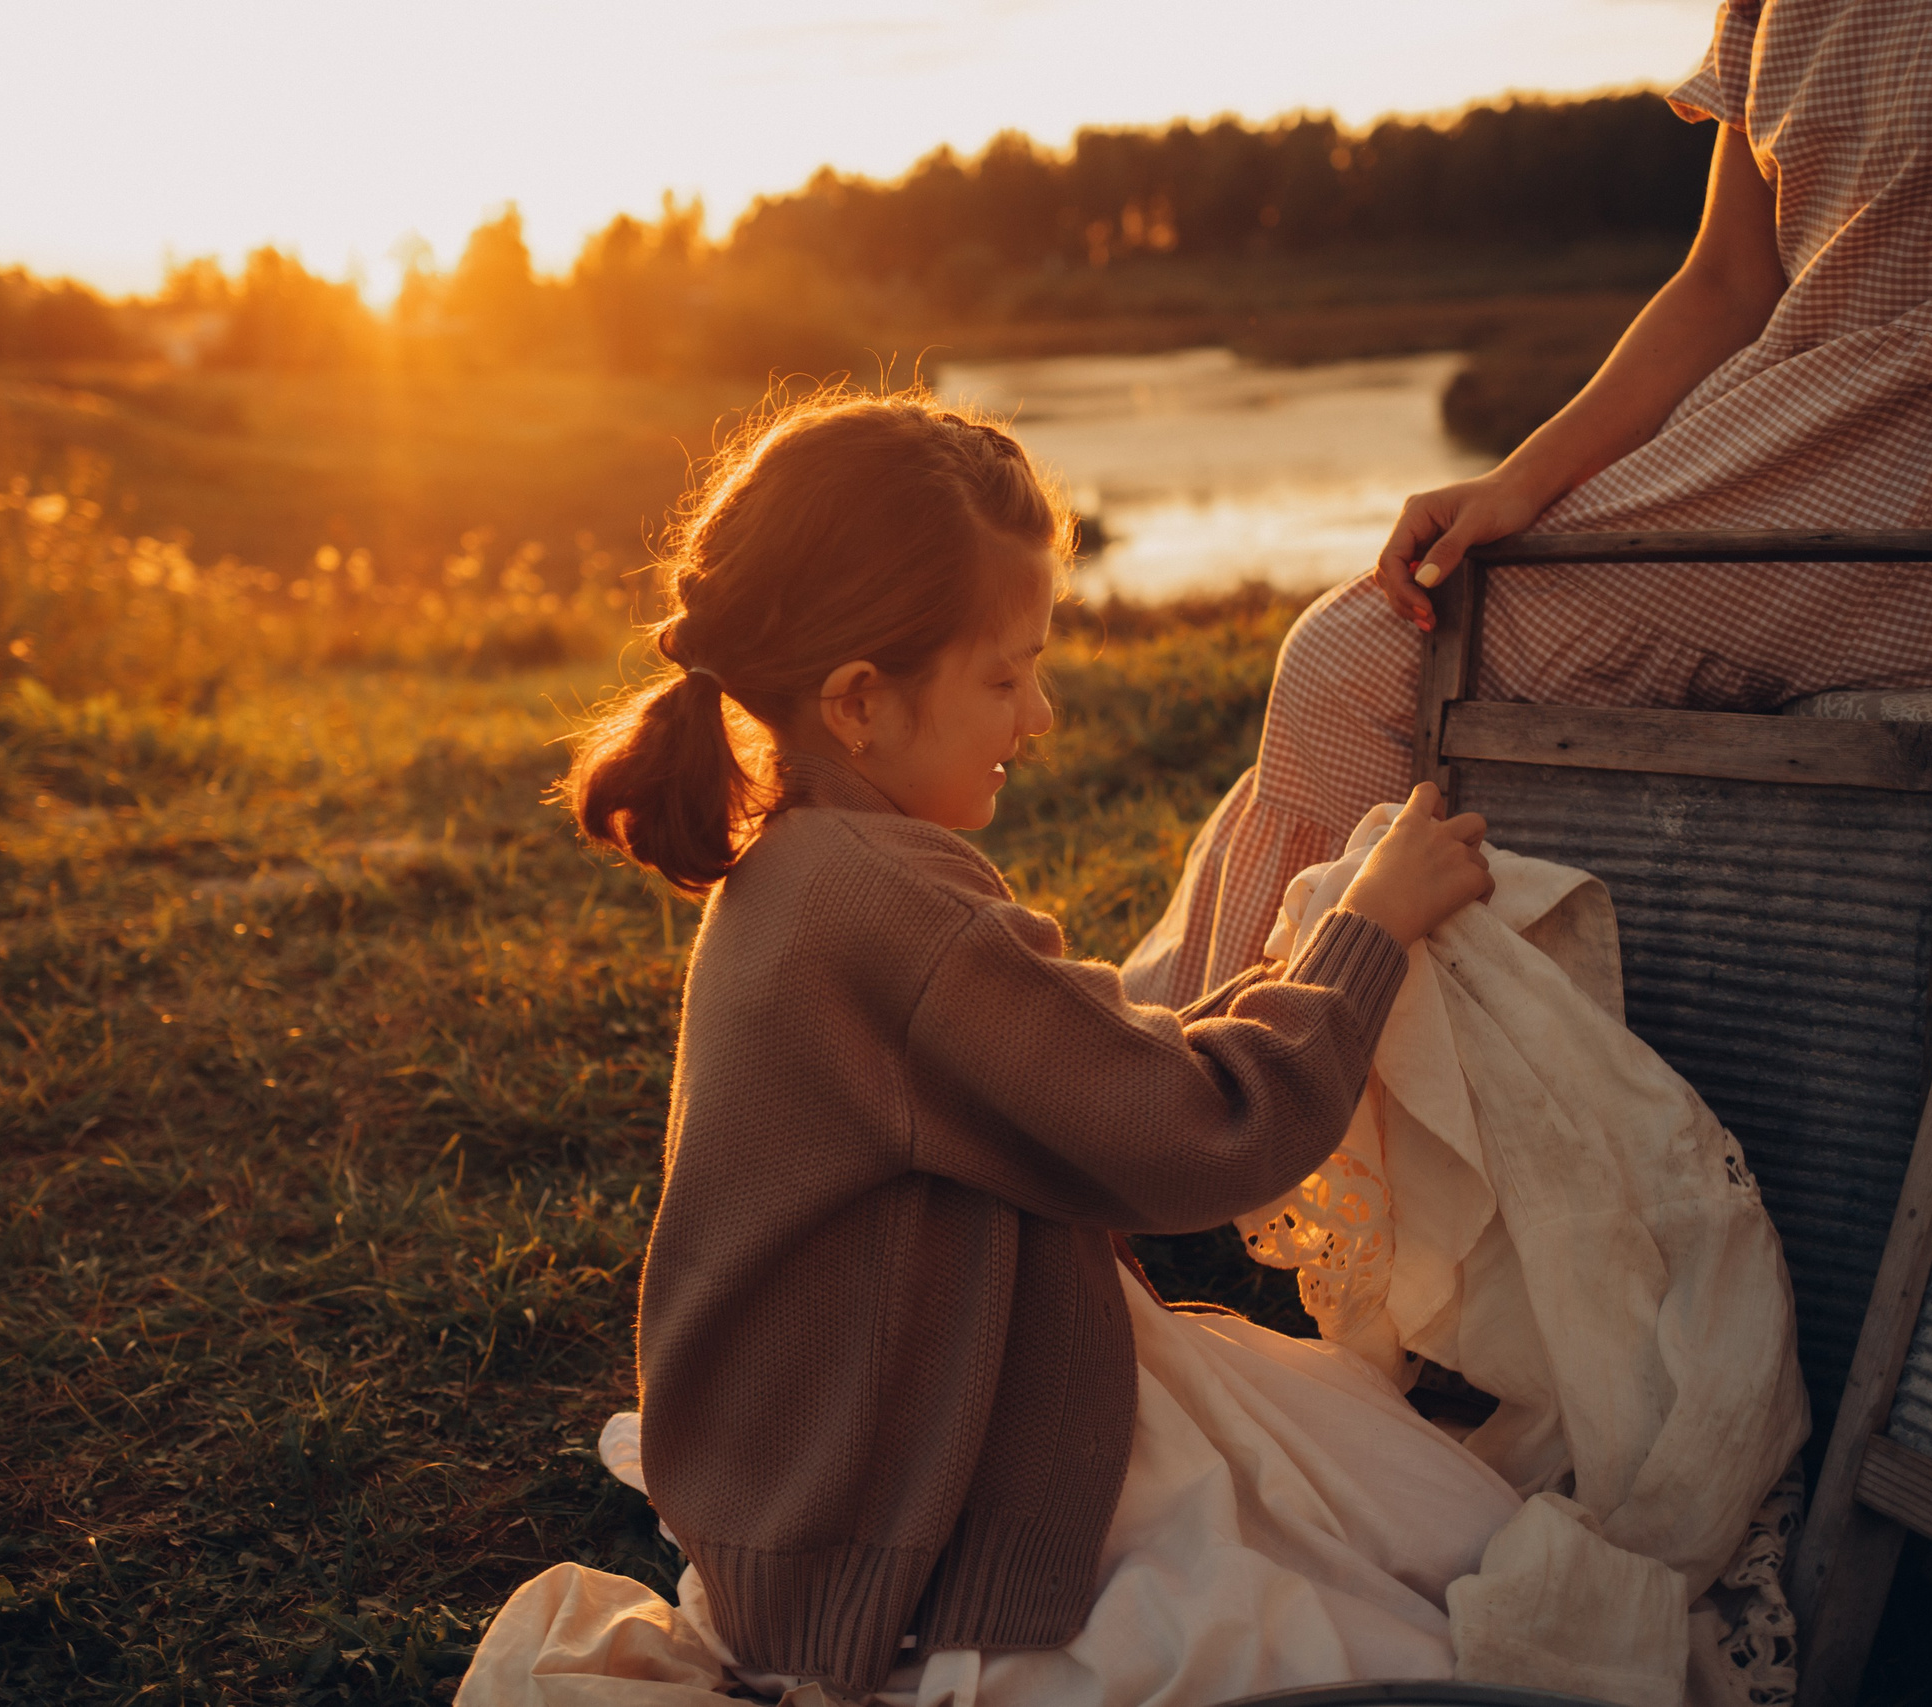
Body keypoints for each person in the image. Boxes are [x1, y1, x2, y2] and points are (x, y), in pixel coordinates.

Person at [554, 389, 1509, 1698]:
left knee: (1367, 1498)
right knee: (1424, 1579)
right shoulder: (899, 911)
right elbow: (1200, 1130)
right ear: (856, 702)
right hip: (896, 1536)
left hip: (798, 1484)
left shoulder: (799, 862)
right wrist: (1365, 927)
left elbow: (1079, 1066)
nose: (1041, 712)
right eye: (1005, 675)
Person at [1126, 0, 1932, 1009]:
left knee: (1348, 658)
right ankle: (1200, 1077)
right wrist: (1513, 484)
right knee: (1365, 653)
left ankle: (1214, 1101)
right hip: (1774, 451)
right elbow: (1722, 285)